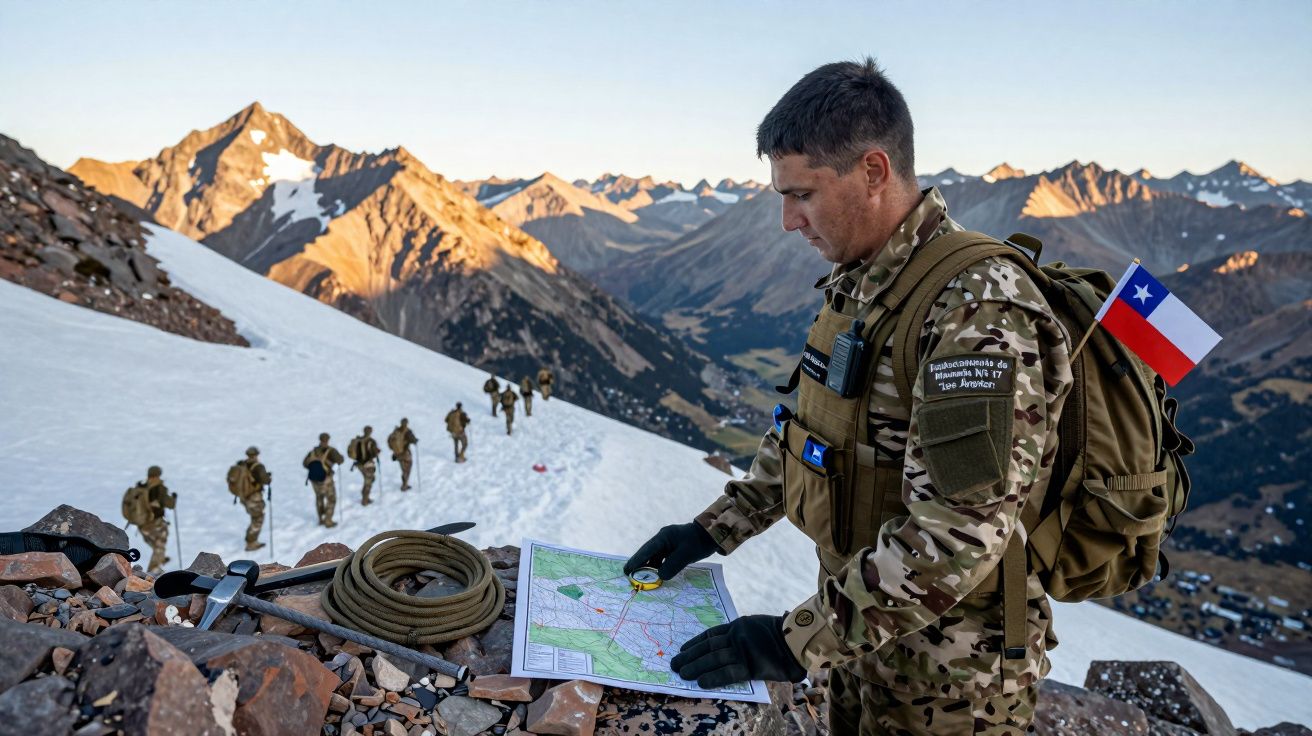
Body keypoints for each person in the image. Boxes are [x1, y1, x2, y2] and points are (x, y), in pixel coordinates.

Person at [624, 59, 1072, 735]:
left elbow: (960, 533)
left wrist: (790, 641)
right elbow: (812, 432)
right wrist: (715, 528)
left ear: (873, 171)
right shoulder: (859, 283)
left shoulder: (977, 311)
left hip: (953, 682)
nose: (787, 220)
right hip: (860, 643)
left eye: (802, 194)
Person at [122, 465, 176, 573]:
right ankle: (153, 570)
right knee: (160, 543)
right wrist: (173, 498)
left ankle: (160, 557)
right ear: (158, 475)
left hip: (141, 524)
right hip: (154, 523)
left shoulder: (141, 487)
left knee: (155, 542)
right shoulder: (159, 488)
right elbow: (170, 504)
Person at [230, 446, 272, 551]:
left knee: (254, 516)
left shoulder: (242, 465)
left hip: (244, 497)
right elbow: (265, 480)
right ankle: (251, 542)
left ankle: (251, 540)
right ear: (257, 455)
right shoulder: (258, 467)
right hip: (254, 497)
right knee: (258, 518)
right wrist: (268, 477)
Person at [303, 433, 344, 527]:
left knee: (319, 497)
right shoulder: (331, 451)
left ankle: (320, 519)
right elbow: (340, 460)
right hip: (326, 480)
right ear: (328, 440)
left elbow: (305, 463)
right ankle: (328, 520)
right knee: (331, 499)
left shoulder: (313, 451)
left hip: (314, 481)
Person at [348, 426, 381, 505]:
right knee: (369, 481)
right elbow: (374, 453)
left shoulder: (357, 440)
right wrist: (377, 452)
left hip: (358, 464)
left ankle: (365, 497)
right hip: (368, 464)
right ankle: (365, 500)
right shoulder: (371, 441)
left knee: (369, 479)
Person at [387, 418, 418, 491]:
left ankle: (404, 484)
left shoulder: (396, 431)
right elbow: (413, 440)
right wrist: (415, 441)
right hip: (405, 454)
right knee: (407, 469)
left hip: (397, 454)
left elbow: (389, 441)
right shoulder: (408, 431)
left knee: (404, 470)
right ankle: (404, 485)